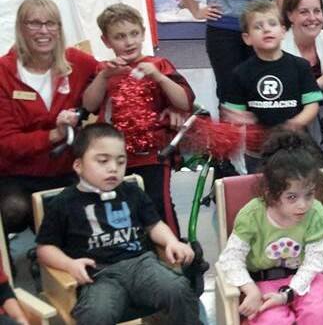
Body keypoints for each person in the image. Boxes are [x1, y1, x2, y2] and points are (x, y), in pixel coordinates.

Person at [35, 123, 200, 325]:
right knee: (95, 314)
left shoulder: (131, 192)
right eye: (103, 161)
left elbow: (154, 225)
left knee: (178, 289)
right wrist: (69, 264)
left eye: (120, 162)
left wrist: (171, 242)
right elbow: (45, 248)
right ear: (78, 165)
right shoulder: (64, 203)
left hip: (140, 265)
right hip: (98, 275)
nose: (113, 168)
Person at [82, 4, 194, 235]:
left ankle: (175, 253)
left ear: (143, 33)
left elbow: (185, 102)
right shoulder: (104, 69)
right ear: (106, 41)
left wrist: (159, 77)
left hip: (154, 153)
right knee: (120, 206)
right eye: (119, 37)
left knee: (158, 203)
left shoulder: (159, 65)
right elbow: (89, 105)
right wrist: (104, 77)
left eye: (134, 34)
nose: (129, 42)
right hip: (114, 155)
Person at [215, 130, 323, 324]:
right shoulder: (252, 215)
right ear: (270, 193)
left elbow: (315, 261)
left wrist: (288, 293)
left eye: (309, 194)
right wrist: (250, 289)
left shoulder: (316, 213)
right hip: (263, 283)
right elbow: (230, 259)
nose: (303, 205)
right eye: (292, 197)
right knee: (272, 321)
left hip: (305, 279)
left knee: (318, 313)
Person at [0, 0, 98, 235]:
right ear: (20, 28)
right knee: (13, 210)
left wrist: (170, 105)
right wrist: (54, 135)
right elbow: (5, 143)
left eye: (50, 23)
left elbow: (115, 79)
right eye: (34, 23)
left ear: (59, 28)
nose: (44, 31)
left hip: (67, 169)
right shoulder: (3, 72)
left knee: (85, 214)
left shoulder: (78, 62)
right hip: (17, 174)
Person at [221, 1, 323, 173]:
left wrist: (295, 123)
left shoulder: (300, 66)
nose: (266, 29)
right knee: (263, 194)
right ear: (247, 38)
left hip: (296, 147)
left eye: (272, 24)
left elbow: (312, 105)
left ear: (283, 31)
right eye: (258, 27)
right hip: (258, 151)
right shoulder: (240, 73)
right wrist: (239, 118)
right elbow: (233, 114)